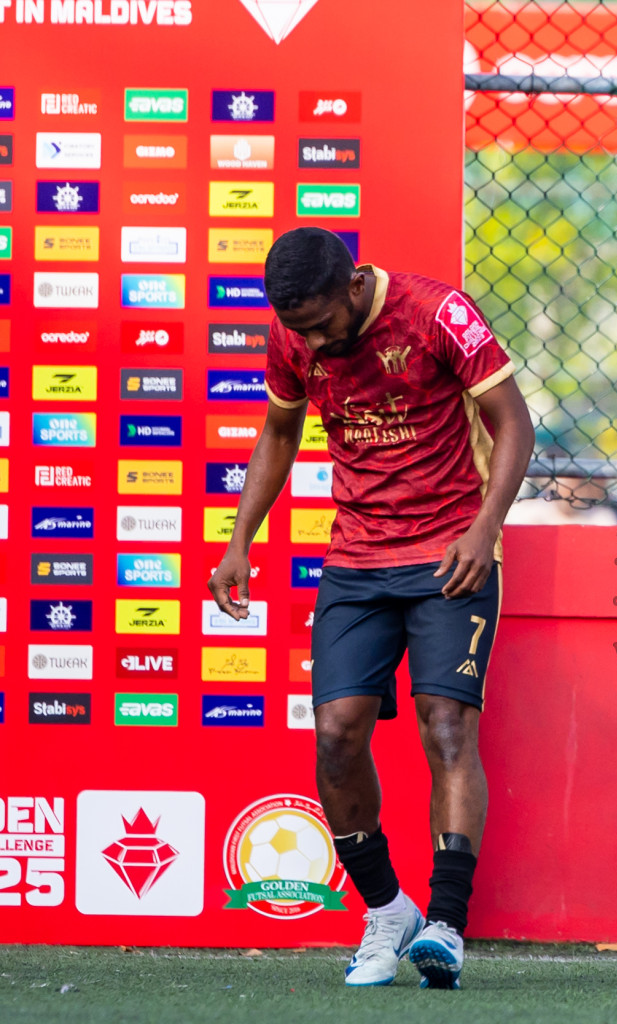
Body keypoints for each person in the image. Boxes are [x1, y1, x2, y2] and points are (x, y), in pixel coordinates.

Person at [208, 227, 535, 990]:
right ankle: (388, 911)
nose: (315, 339)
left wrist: (486, 529)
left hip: (450, 553)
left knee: (446, 724)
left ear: (354, 285)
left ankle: (447, 925)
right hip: (357, 561)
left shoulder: (437, 313)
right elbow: (279, 433)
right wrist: (237, 542)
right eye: (300, 328)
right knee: (335, 733)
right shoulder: (292, 339)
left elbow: (514, 424)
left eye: (323, 322)